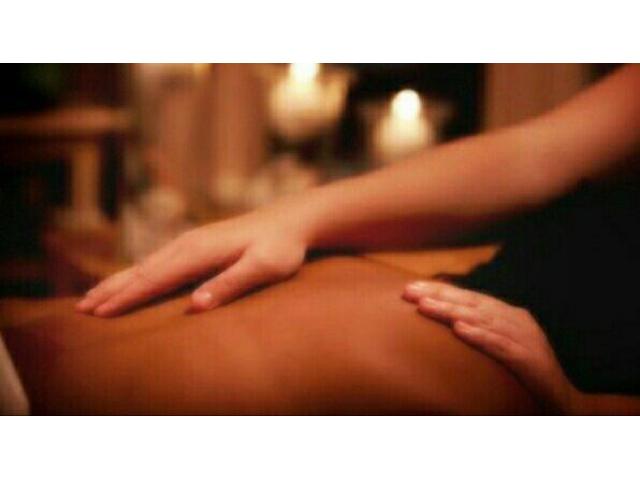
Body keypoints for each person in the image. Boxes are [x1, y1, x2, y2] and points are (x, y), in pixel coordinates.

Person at [77, 65, 640, 414]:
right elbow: (539, 154)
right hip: (478, 298)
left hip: (540, 383)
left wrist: (587, 410)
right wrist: (293, 218)